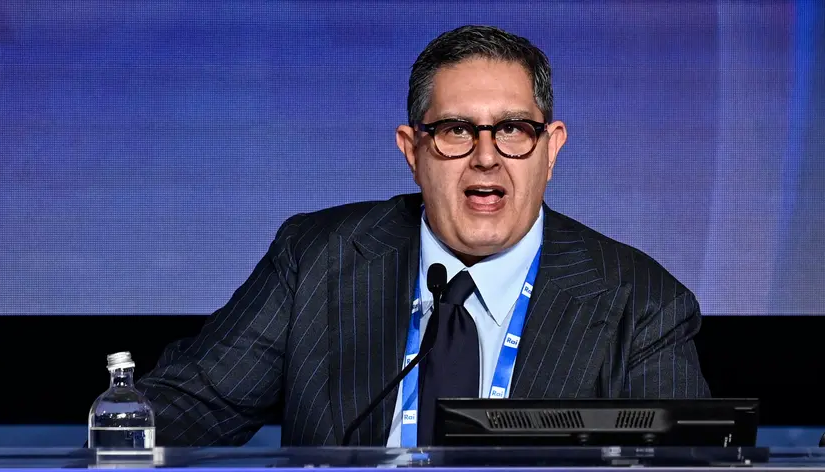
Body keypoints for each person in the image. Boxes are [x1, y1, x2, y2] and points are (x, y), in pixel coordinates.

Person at [136, 24, 710, 448]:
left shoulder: (642, 301)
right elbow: (190, 406)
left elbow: (691, 463)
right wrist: (119, 430)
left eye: (513, 129)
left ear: (551, 148)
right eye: (456, 130)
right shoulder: (316, 257)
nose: (486, 157)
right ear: (412, 151)